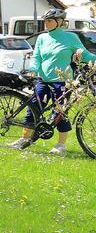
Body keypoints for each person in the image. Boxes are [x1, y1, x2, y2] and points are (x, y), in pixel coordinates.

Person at [11, 8, 96, 153]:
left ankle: (61, 145)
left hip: (62, 82)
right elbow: (37, 57)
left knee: (60, 113)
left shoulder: (71, 38)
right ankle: (24, 139)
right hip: (43, 80)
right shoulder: (42, 38)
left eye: (49, 21)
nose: (46, 23)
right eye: (45, 21)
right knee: (33, 109)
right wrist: (33, 69)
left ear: (60, 21)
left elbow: (86, 55)